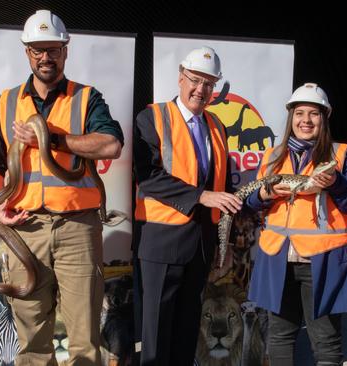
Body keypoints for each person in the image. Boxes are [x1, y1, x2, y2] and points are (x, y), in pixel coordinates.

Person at [0, 9, 123, 366]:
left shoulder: (86, 98)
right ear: (27, 51)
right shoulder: (6, 102)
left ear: (65, 51)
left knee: (85, 337)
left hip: (77, 227)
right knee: (32, 339)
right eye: (38, 50)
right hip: (25, 230)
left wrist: (53, 137)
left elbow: (110, 144)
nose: (46, 57)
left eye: (53, 50)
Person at [132, 46, 241, 366]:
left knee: (186, 331)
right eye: (195, 80)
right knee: (156, 334)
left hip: (202, 244)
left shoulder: (217, 127)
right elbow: (148, 177)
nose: (201, 89)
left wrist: (226, 240)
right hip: (162, 241)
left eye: (209, 83)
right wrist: (201, 197)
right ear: (181, 78)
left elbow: (224, 187)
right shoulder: (152, 117)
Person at [246, 83, 347, 366]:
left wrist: (336, 184)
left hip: (323, 258)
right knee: (279, 337)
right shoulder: (273, 156)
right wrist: (264, 194)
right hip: (277, 257)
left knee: (326, 341)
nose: (306, 121)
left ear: (324, 118)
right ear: (291, 118)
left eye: (314, 114)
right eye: (300, 113)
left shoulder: (342, 154)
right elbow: (250, 203)